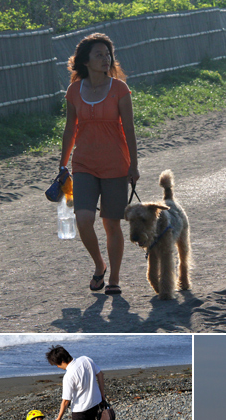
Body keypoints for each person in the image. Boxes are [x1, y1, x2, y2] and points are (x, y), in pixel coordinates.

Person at [60, 33, 140, 295]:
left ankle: (114, 278)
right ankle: (99, 265)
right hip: (83, 163)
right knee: (83, 219)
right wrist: (63, 165)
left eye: (108, 55)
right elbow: (70, 128)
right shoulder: (74, 91)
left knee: (111, 224)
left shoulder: (120, 89)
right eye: (99, 55)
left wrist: (134, 165)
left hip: (116, 164)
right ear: (85, 61)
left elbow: (129, 129)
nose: (106, 59)